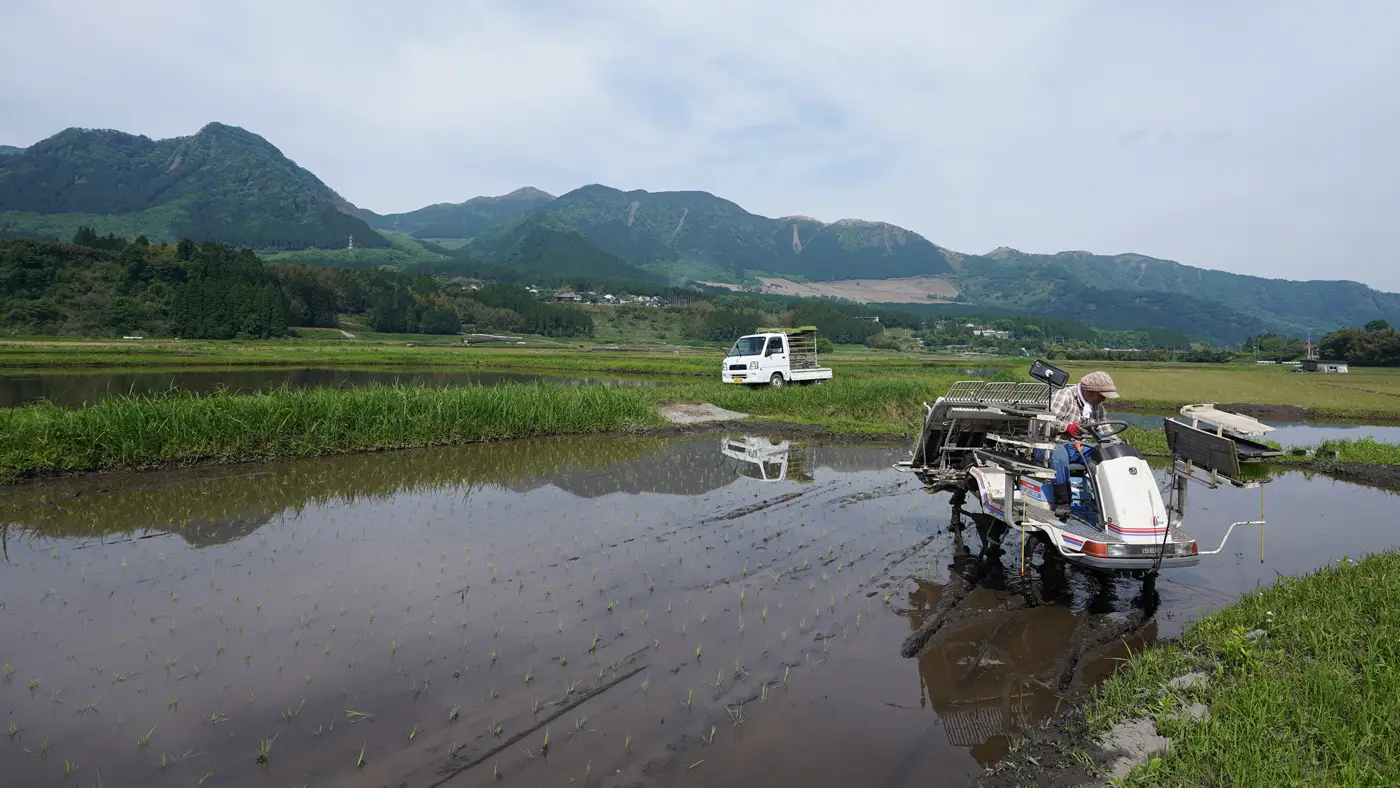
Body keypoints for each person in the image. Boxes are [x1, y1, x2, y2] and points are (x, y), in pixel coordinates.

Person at [1046, 371, 1119, 519]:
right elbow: (1047, 421)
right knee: (1059, 453)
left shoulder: (1096, 405)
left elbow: (1105, 429)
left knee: (1102, 454)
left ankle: (1105, 501)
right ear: (1089, 390)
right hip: (1051, 443)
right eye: (1102, 395)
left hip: (1077, 446)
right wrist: (1066, 427)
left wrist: (1117, 445)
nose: (1103, 399)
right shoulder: (1064, 396)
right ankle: (1063, 502)